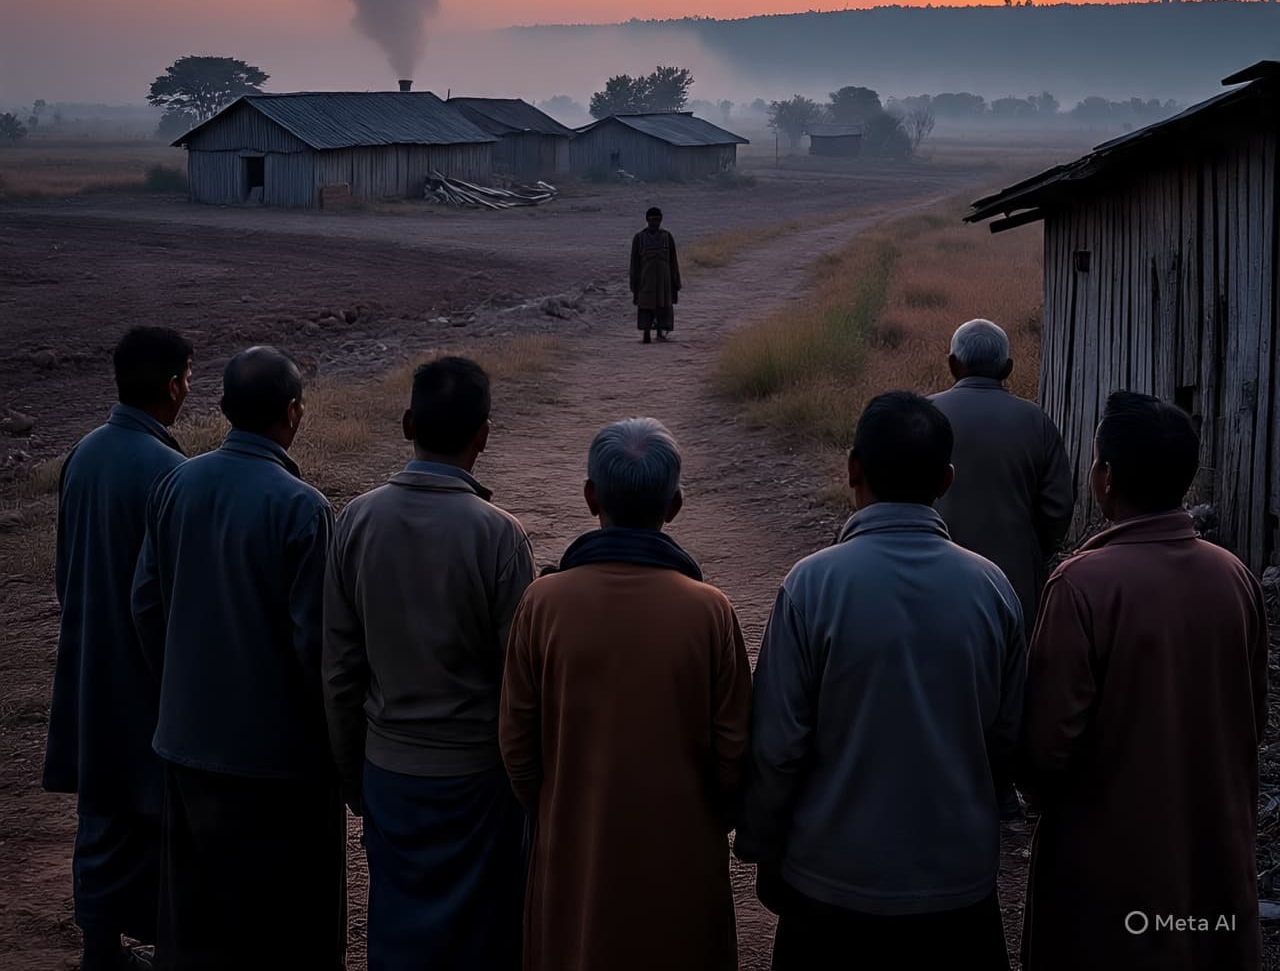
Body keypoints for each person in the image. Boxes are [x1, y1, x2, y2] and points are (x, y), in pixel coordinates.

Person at [736, 391, 1025, 971]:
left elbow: (776, 746)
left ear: (852, 469)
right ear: (945, 480)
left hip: (830, 888)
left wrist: (765, 848)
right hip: (957, 888)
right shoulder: (992, 589)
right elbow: (1008, 737)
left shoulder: (811, 587)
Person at [1020, 391, 1268, 971]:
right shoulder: (1235, 578)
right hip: (1213, 861)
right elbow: (1251, 719)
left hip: (1108, 878)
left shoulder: (1080, 586)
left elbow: (1044, 749)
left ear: (1105, 477)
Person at [500, 418, 751, 971]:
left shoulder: (543, 604)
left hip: (574, 848)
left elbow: (517, 745)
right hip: (680, 855)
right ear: (676, 504)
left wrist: (560, 807)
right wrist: (706, 816)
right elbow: (735, 749)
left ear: (591, 497)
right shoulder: (709, 609)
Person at [132, 347, 343, 970]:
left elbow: (144, 603)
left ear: (222, 410)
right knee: (288, 921)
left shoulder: (175, 484)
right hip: (277, 760)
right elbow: (315, 648)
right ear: (295, 412)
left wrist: (179, 688)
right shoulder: (302, 507)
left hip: (187, 742)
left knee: (195, 916)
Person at [324, 357, 534, 971]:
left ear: (407, 422)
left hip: (390, 769)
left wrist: (351, 775)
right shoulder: (499, 536)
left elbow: (339, 669)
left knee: (397, 923)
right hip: (477, 776)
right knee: (486, 930)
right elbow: (519, 681)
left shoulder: (355, 521)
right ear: (484, 434)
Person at [43, 327, 192, 971]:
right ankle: (165, 946)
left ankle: (99, 949)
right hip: (146, 672)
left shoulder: (85, 451)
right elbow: (173, 595)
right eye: (187, 374)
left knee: (100, 812)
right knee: (159, 819)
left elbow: (62, 566)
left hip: (86, 660)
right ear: (173, 385)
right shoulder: (171, 472)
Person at [930, 318, 1074, 630]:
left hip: (932, 577)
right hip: (1015, 581)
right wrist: (1033, 553)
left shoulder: (923, 416)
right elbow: (1058, 507)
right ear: (1007, 369)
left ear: (953, 365)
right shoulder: (1036, 421)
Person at [630, 206, 681, 343]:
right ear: (647, 220)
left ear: (661, 220)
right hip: (645, 280)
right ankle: (646, 334)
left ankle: (660, 333)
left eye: (657, 220)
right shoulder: (639, 238)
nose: (654, 223)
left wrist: (676, 281)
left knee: (663, 306)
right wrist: (634, 285)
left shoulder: (667, 237)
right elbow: (634, 264)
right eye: (652, 220)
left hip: (664, 281)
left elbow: (673, 261)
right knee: (646, 307)